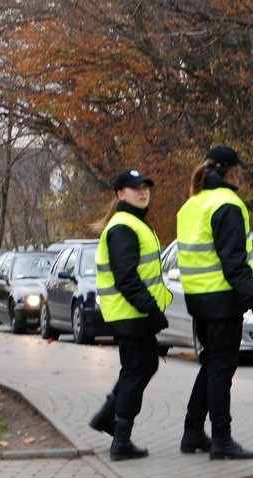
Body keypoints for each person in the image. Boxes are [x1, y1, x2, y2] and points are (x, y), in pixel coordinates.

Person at [175, 145, 253, 460]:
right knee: (221, 370)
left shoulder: (193, 203)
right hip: (221, 300)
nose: (242, 174)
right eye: (239, 169)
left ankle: (192, 432)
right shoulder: (227, 204)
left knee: (210, 366)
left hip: (199, 299)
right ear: (231, 170)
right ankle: (222, 439)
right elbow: (234, 262)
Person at [89, 168, 172, 461]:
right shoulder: (123, 227)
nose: (143, 191)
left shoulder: (134, 223)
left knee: (145, 366)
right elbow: (126, 277)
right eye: (135, 187)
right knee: (136, 371)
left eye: (145, 187)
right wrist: (150, 310)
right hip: (130, 314)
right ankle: (120, 440)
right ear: (120, 194)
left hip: (132, 313)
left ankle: (106, 417)